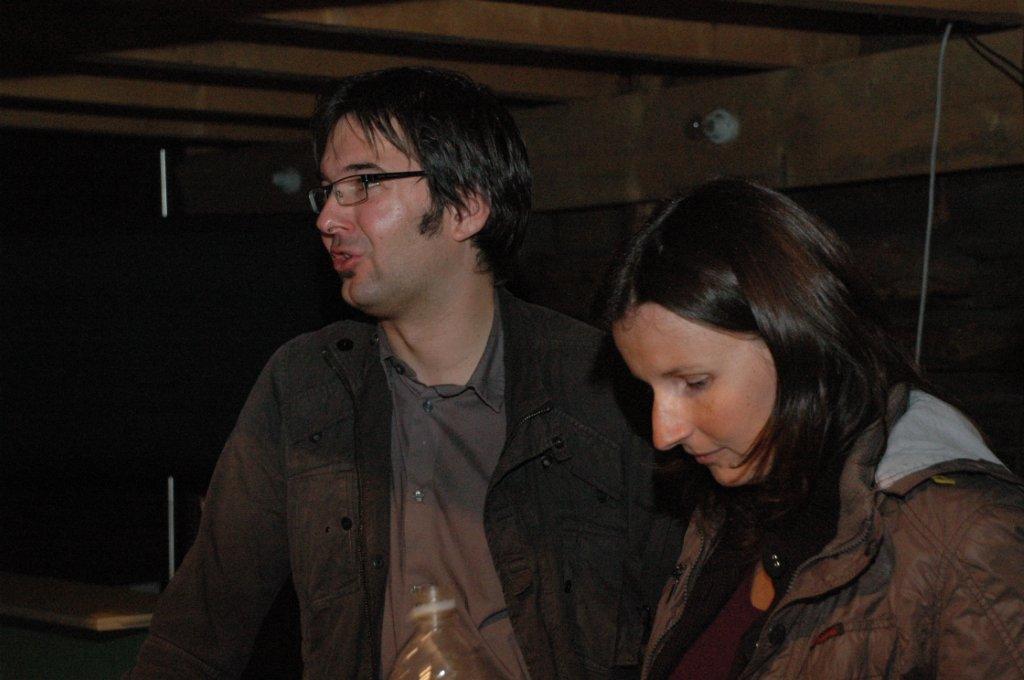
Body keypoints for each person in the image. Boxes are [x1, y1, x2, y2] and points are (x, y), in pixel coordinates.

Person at [130, 67, 668, 679]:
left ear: (465, 206)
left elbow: (687, 628)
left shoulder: (602, 386)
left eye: (363, 183)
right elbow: (195, 637)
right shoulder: (307, 385)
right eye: (328, 190)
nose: (328, 218)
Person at [607, 179, 1024, 679]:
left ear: (799, 344)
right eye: (648, 390)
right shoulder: (727, 506)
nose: (663, 433)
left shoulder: (968, 542)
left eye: (694, 383)